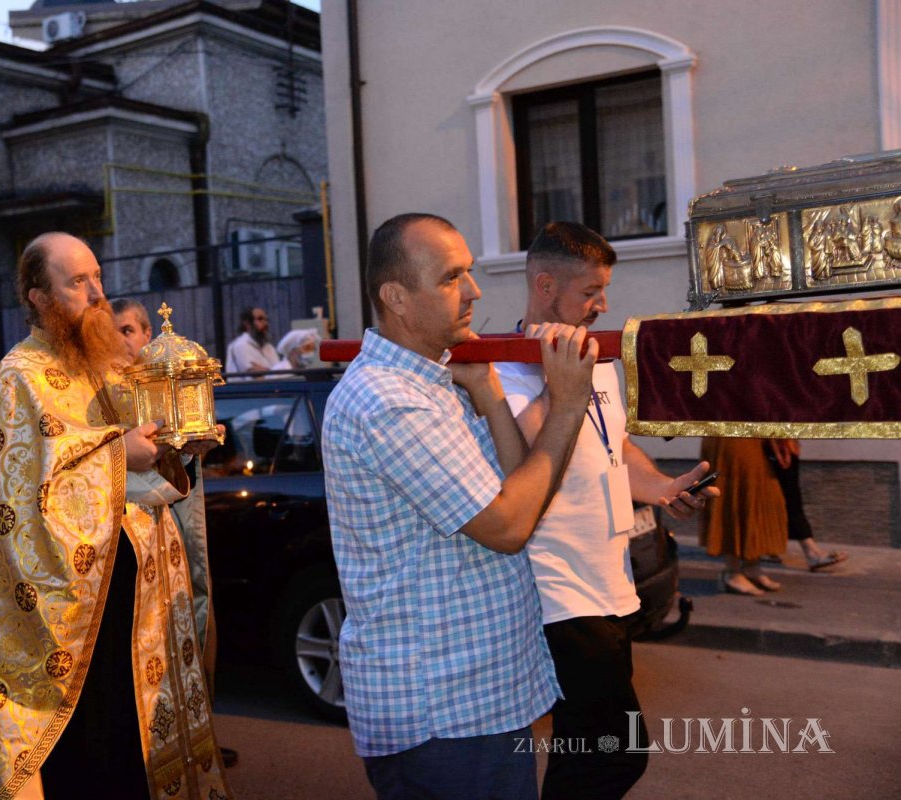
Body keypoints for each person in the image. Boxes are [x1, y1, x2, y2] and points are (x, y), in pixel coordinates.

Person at [323, 213, 599, 800]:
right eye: (451, 279)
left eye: (470, 273)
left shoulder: (430, 384)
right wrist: (568, 404)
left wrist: (489, 393)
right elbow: (508, 525)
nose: (474, 291)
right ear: (396, 296)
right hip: (443, 716)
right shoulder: (390, 402)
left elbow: (515, 481)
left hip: (475, 703)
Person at [0, 233, 231, 799]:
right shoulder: (19, 375)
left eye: (97, 278)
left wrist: (177, 447)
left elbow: (147, 458)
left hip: (144, 588)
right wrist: (118, 453)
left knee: (139, 738)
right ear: (38, 296)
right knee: (97, 747)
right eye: (76, 282)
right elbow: (17, 503)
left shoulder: (111, 364)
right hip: (82, 608)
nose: (97, 295)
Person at [495, 221, 717, 800]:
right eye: (590, 291)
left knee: (585, 752)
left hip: (611, 582)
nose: (603, 305)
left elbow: (614, 444)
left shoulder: (594, 360)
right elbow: (535, 460)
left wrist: (664, 488)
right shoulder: (502, 372)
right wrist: (553, 378)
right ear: (545, 285)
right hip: (557, 592)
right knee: (617, 754)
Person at [110, 296, 237, 768]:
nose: (121, 341)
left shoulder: (162, 378)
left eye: (127, 330)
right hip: (137, 530)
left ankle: (199, 730)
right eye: (113, 332)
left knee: (196, 610)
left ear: (148, 335)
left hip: (179, 521)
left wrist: (192, 448)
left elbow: (179, 456)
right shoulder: (112, 393)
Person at [701, 437, 787, 595]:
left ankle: (751, 565)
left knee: (759, 496)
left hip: (752, 434)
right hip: (728, 430)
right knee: (733, 495)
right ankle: (732, 572)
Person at [766, 439, 848, 571]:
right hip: (772, 441)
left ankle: (765, 547)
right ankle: (811, 551)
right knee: (789, 497)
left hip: (780, 439)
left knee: (786, 495)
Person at [224, 306, 278, 377]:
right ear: (248, 324)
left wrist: (266, 371)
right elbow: (256, 378)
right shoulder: (241, 346)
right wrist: (271, 372)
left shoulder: (269, 347)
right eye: (260, 319)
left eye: (266, 320)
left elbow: (279, 373)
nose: (265, 323)